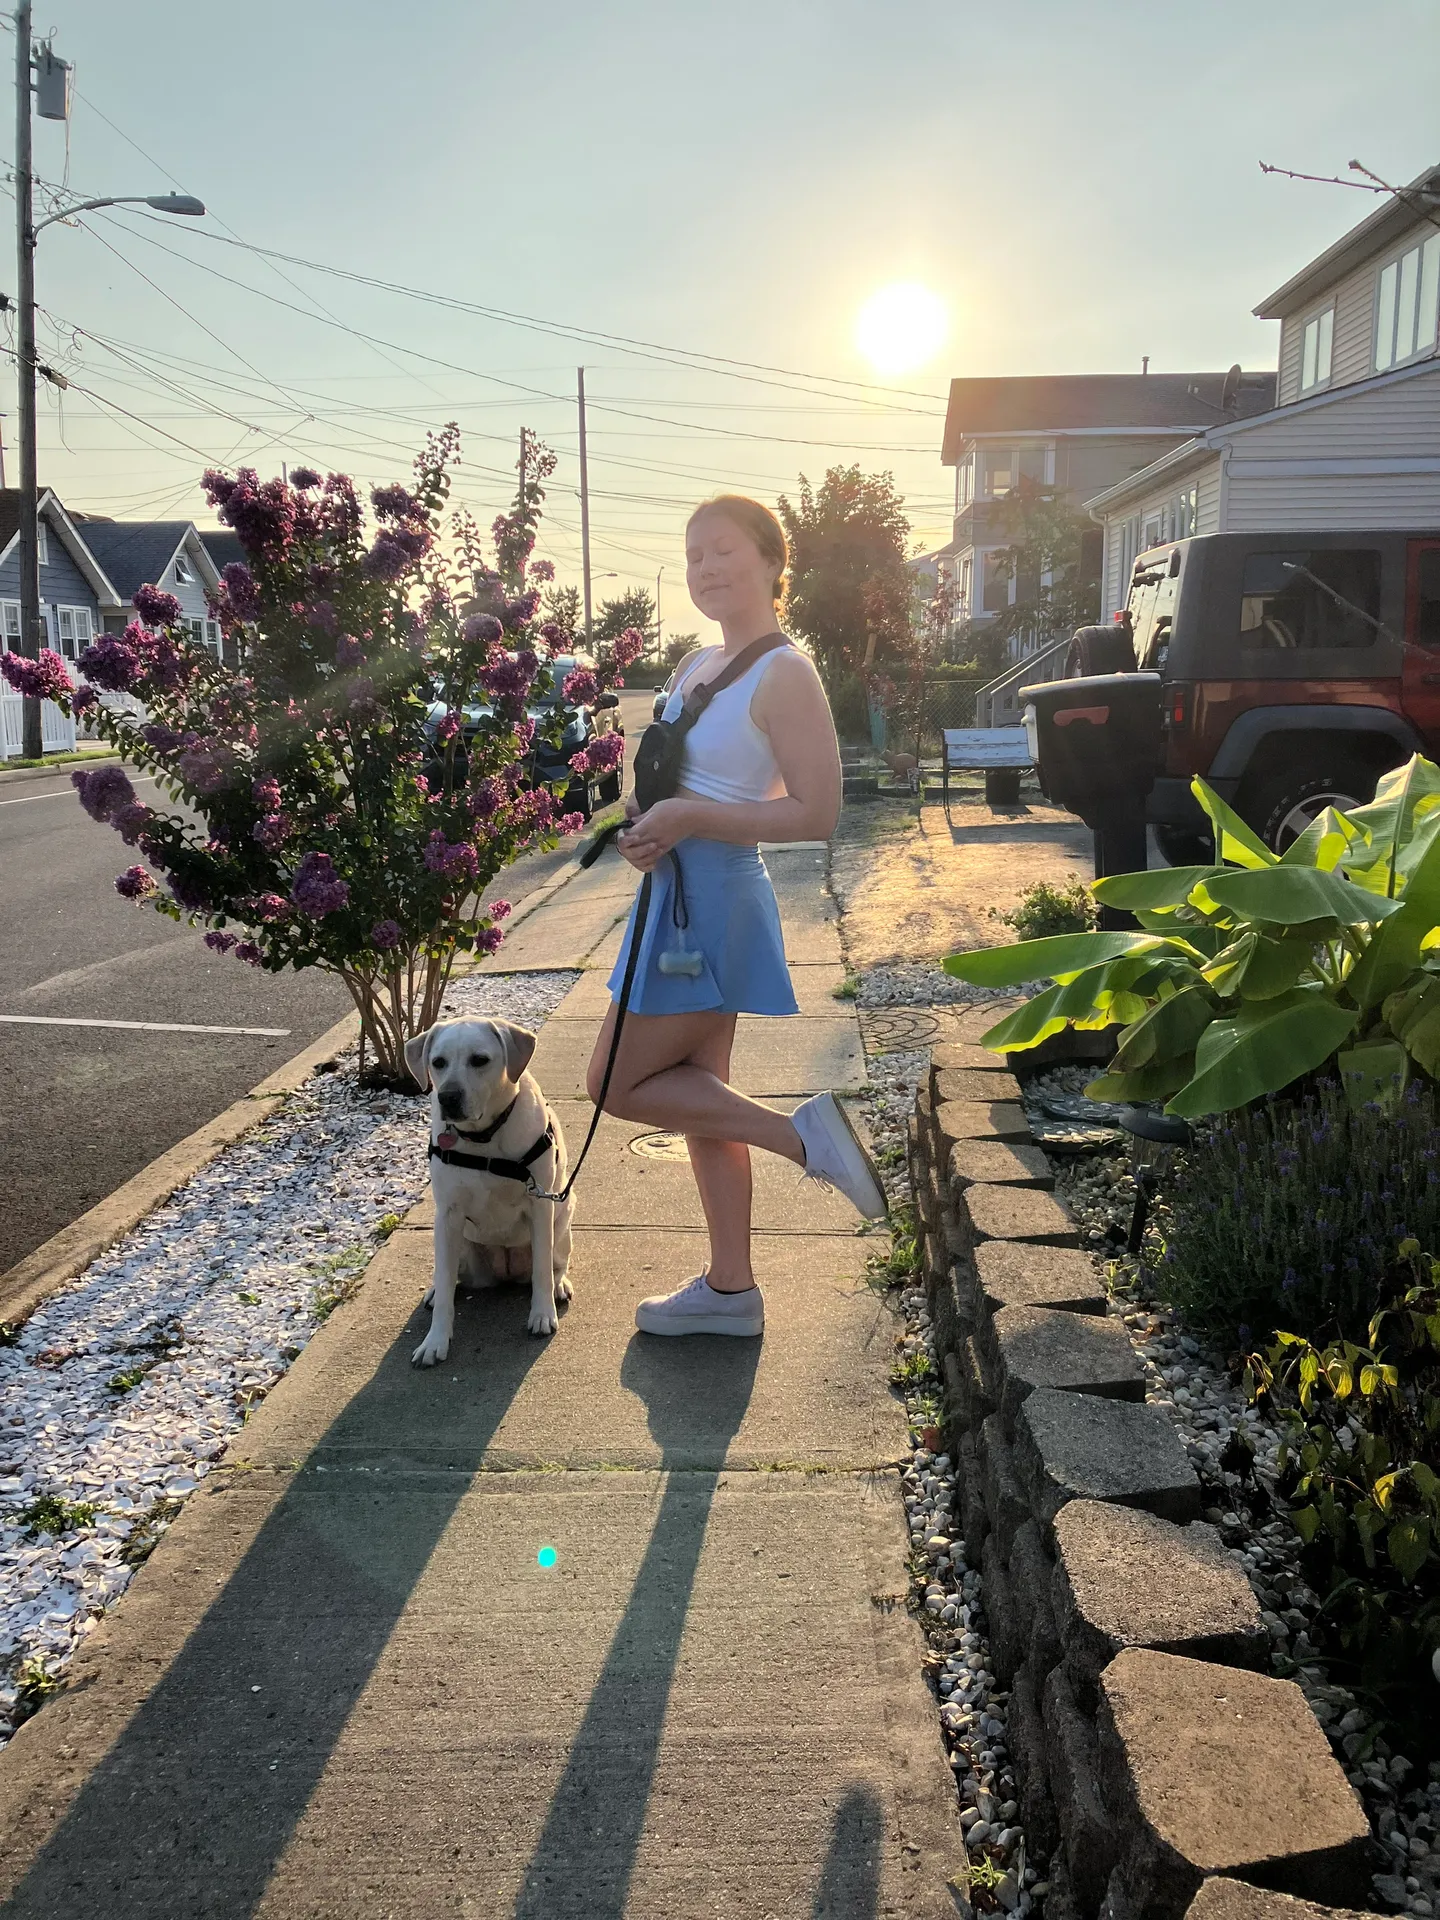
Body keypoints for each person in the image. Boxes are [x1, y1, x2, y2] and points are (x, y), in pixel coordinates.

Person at [585, 493, 887, 1340]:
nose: (707, 569)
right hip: (674, 890)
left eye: (724, 551)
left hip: (713, 899)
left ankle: (803, 1140)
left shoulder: (784, 671)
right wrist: (646, 826)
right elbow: (675, 780)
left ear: (770, 562)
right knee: (696, 1102)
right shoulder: (693, 664)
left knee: (614, 1082)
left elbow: (817, 813)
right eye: (693, 556)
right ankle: (731, 1292)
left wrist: (691, 822)